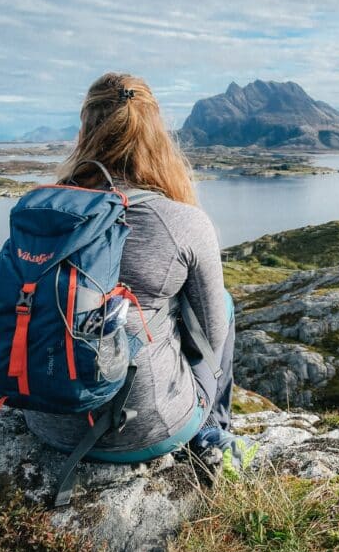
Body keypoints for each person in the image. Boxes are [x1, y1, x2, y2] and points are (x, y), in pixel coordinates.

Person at [24, 72, 257, 476]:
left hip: (44, 418)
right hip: (143, 431)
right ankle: (212, 432)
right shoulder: (181, 221)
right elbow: (213, 341)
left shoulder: (41, 210)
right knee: (221, 303)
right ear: (156, 133)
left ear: (85, 129)